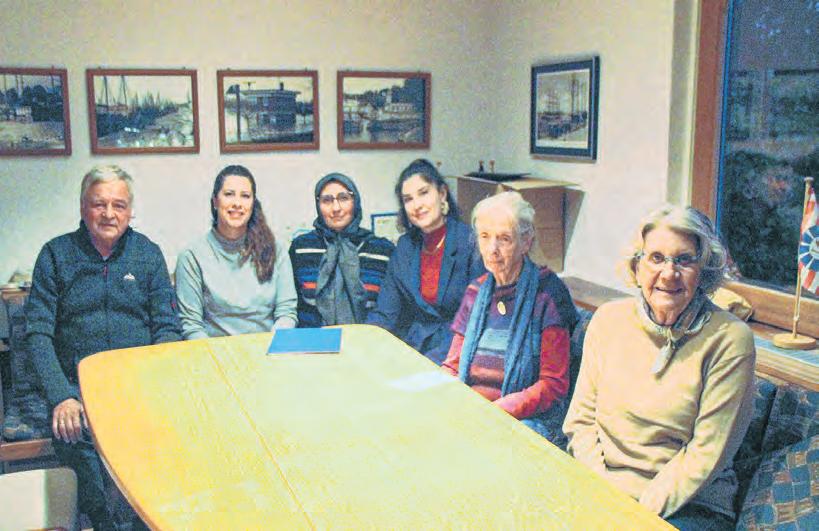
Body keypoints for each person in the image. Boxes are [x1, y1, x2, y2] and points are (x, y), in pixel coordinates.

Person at [563, 205, 756, 530]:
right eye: (656, 258)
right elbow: (580, 421)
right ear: (637, 265)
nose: (668, 273)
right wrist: (600, 495)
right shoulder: (608, 320)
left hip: (690, 505)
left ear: (704, 270)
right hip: (604, 488)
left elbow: (706, 454)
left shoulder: (730, 339)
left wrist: (629, 518)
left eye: (684, 260)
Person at [25, 165, 181, 530]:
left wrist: (154, 387)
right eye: (99, 204)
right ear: (83, 208)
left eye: (118, 205)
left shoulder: (148, 255)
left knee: (154, 469)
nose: (109, 214)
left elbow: (167, 329)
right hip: (77, 394)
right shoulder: (55, 255)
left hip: (137, 390)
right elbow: (38, 334)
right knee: (85, 463)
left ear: (130, 211)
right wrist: (62, 396)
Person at [442, 192, 578, 441]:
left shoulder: (548, 294)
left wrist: (496, 412)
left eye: (504, 239)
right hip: (472, 412)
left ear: (526, 242)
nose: (492, 249)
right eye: (485, 236)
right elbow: (452, 366)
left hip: (524, 420)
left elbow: (553, 385)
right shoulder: (475, 291)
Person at [367, 159, 484, 364]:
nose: (417, 205)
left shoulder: (471, 243)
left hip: (459, 352)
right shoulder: (405, 247)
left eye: (423, 193)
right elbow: (386, 314)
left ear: (442, 194)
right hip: (414, 348)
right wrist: (361, 340)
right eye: (408, 199)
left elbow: (476, 319)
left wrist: (433, 361)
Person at [175, 165, 297, 338]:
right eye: (229, 194)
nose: (237, 203)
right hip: (213, 351)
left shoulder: (276, 251)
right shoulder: (191, 256)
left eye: (245, 196)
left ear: (253, 204)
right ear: (215, 201)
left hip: (266, 348)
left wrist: (273, 345)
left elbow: (286, 313)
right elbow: (192, 326)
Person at [289, 173, 395, 327]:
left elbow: (390, 310)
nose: (336, 208)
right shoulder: (301, 248)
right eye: (327, 200)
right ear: (318, 206)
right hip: (312, 338)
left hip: (368, 338)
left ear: (355, 202)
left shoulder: (382, 250)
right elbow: (291, 307)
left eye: (344, 198)